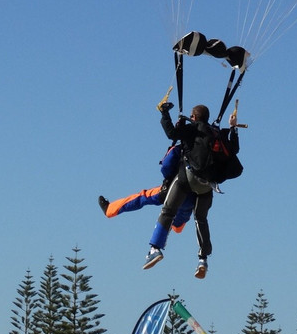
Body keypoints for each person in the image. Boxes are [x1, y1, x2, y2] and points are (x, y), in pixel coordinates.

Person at [143, 102, 238, 279]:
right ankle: (203, 260)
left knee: (168, 211)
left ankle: (155, 249)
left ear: (194, 117)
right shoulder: (216, 133)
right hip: (207, 185)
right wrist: (233, 128)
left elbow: (171, 133)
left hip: (187, 178)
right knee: (201, 219)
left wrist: (165, 113)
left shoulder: (193, 129)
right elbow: (234, 149)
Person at [98, 143, 194, 232]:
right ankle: (177, 225)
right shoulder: (207, 151)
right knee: (179, 223)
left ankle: (110, 209)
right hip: (194, 197)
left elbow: (166, 167)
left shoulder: (180, 149)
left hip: (171, 190)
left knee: (142, 197)